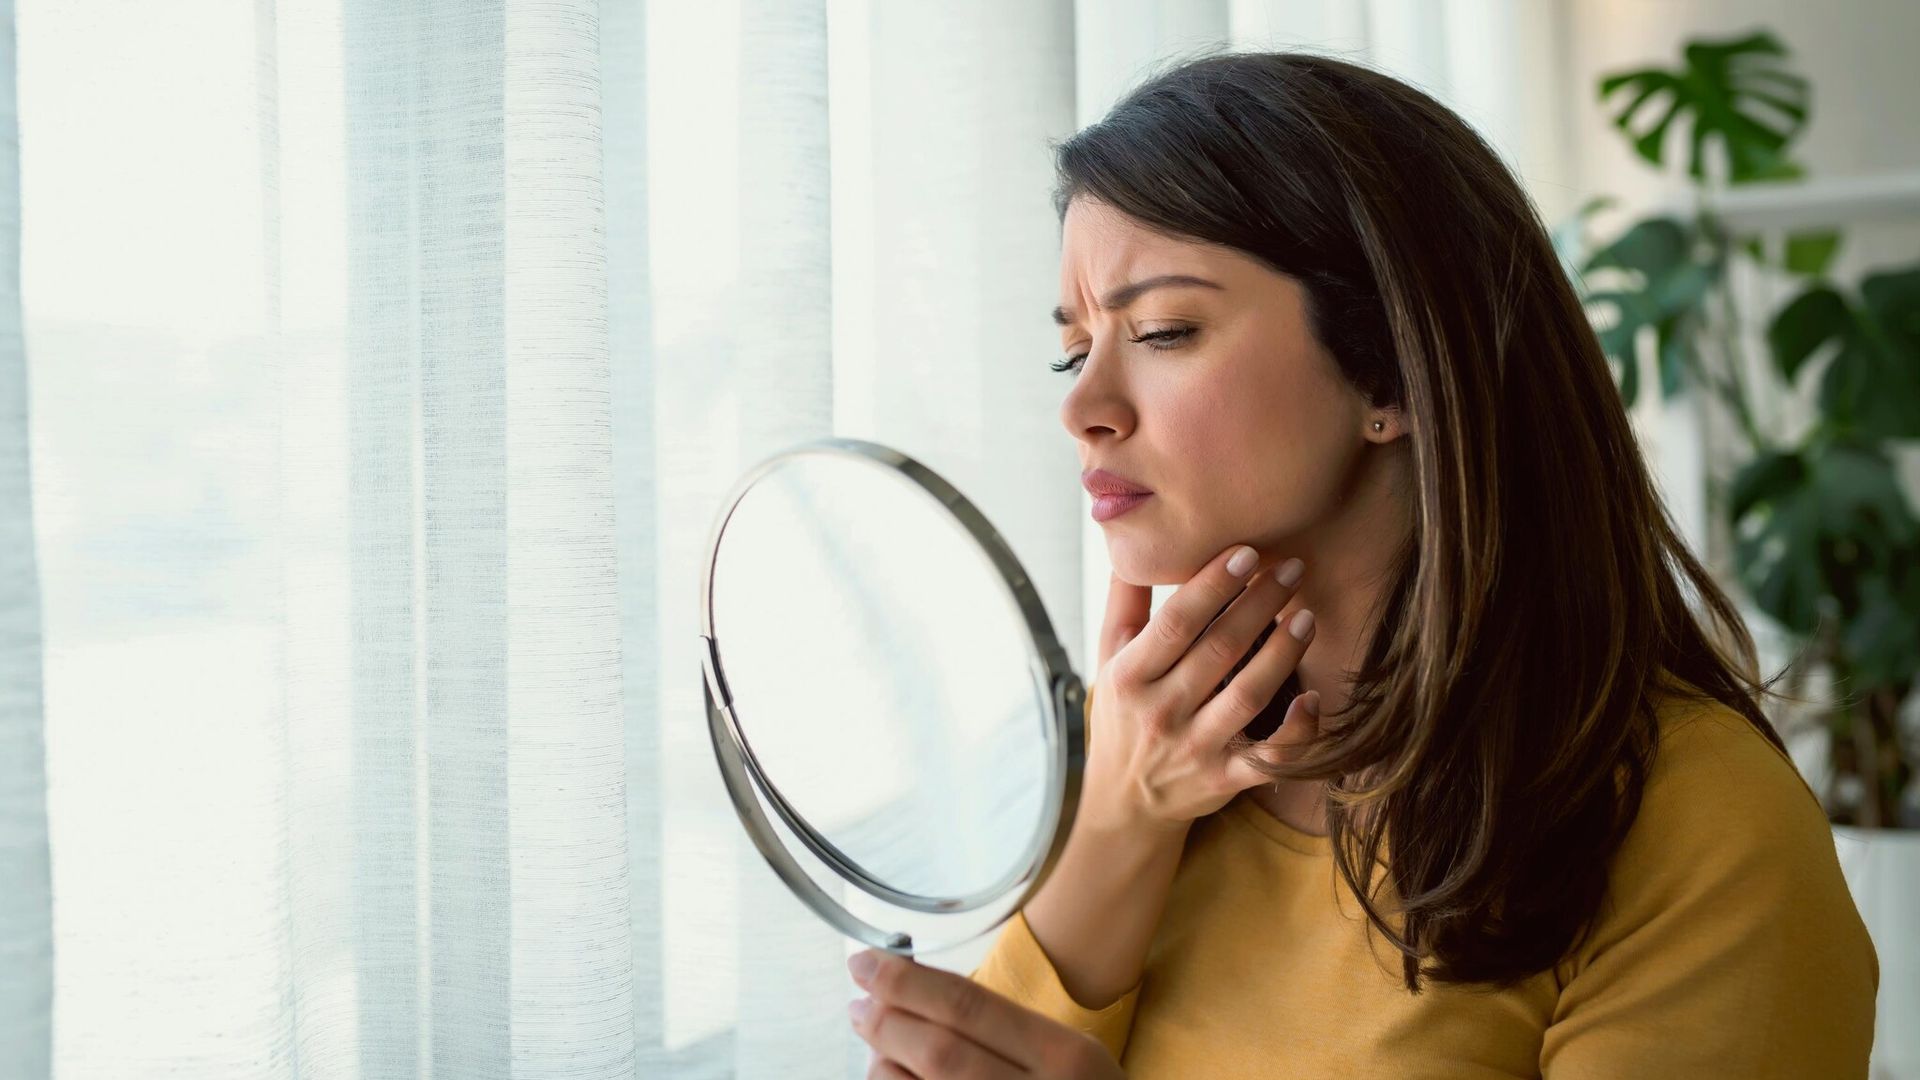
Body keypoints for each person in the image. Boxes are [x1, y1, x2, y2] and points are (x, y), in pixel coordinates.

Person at [844, 50, 1878, 1078]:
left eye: (1163, 330)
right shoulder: (1136, 775)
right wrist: (1124, 812)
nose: (1082, 407)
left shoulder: (1699, 829)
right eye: (1074, 351)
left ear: (1389, 366)